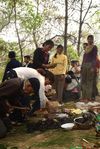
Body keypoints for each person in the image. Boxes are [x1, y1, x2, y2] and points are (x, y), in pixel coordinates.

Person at [81, 35, 98, 102]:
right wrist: (82, 66)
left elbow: (94, 58)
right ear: (87, 40)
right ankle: (83, 97)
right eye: (88, 39)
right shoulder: (86, 48)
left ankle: (88, 97)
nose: (89, 40)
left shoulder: (94, 47)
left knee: (89, 81)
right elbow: (84, 58)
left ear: (93, 40)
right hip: (84, 65)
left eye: (91, 39)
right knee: (83, 81)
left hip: (90, 65)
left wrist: (93, 67)